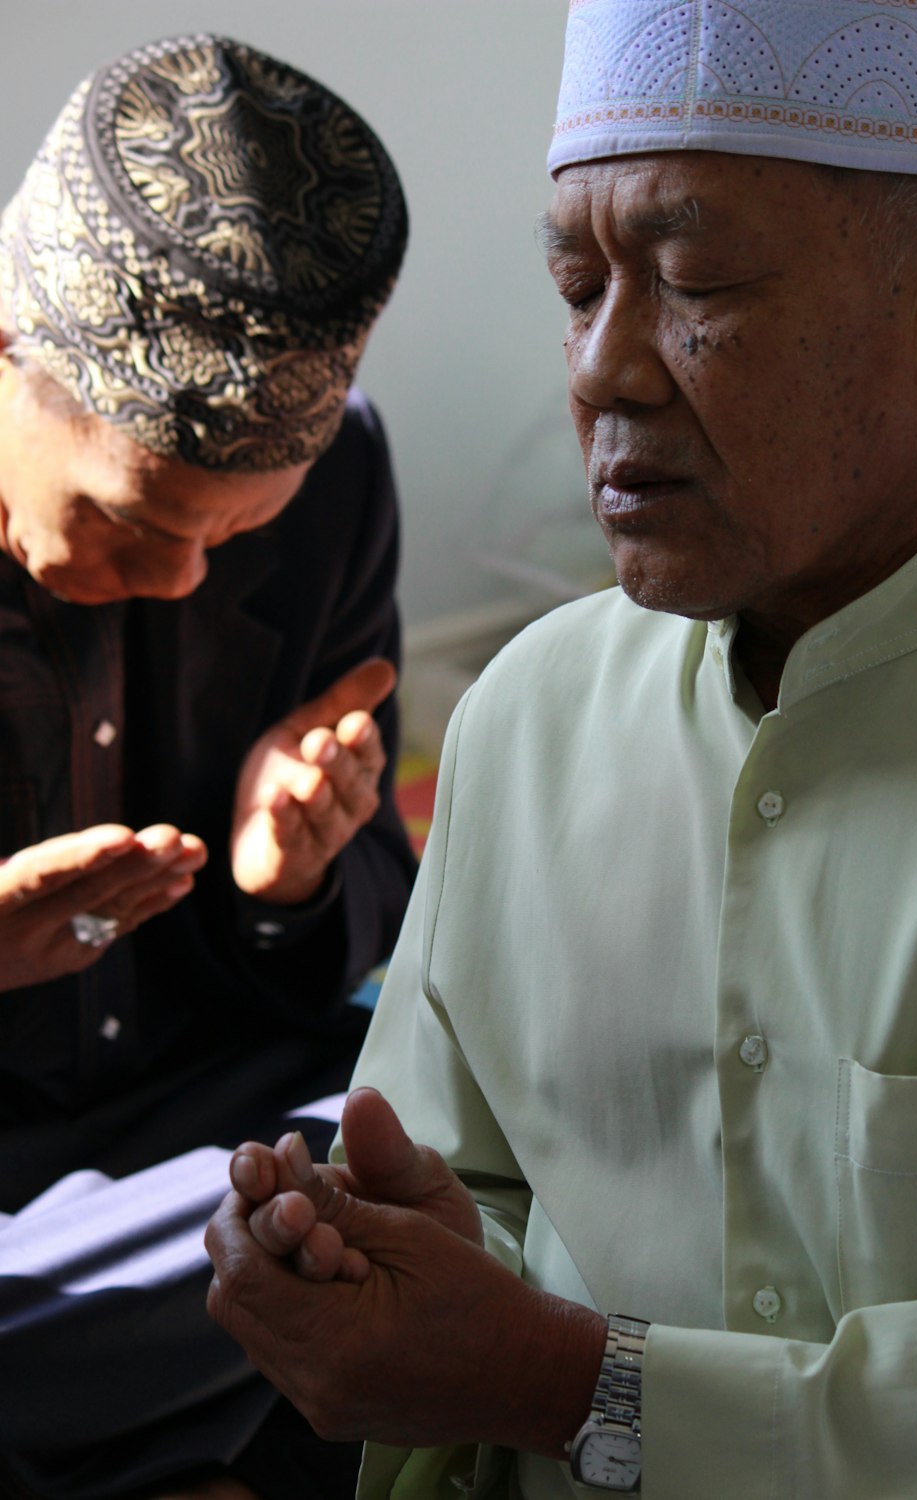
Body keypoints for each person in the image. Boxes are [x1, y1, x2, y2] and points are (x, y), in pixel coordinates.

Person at [205, 3, 917, 1496]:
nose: (605, 372)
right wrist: (408, 1271)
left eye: (694, 284)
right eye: (581, 286)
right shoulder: (530, 719)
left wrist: (575, 1384)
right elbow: (488, 1192)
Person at [0, 32, 416, 1500]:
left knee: (455, 1143)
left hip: (216, 1122)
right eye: (131, 518)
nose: (179, 580)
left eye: (233, 536)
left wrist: (285, 881)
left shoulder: (342, 488)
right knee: (340, 1282)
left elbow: (372, 922)